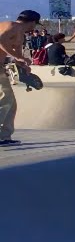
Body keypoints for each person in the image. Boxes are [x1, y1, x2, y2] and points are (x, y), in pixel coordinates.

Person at [0, 10, 42, 146]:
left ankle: (5, 136)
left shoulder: (21, 36)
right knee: (5, 98)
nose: (34, 28)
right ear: (32, 22)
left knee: (11, 103)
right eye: (35, 24)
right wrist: (17, 56)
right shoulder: (11, 25)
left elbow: (17, 55)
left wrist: (23, 63)